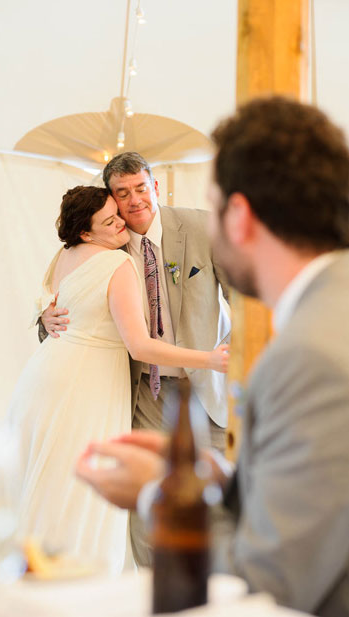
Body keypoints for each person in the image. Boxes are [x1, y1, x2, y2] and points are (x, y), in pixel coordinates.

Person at [77, 96, 349, 617]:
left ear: (238, 216)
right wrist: (226, 487)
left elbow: (270, 580)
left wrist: (158, 494)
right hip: (144, 392)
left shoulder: (304, 358)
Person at [9, 185, 228, 573]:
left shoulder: (62, 255)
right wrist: (208, 359)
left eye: (118, 214)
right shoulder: (117, 264)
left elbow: (49, 299)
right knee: (83, 487)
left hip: (44, 376)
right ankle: (74, 576)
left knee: (51, 478)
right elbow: (140, 346)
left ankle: (34, 567)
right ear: (85, 233)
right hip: (86, 386)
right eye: (110, 221)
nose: (121, 223)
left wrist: (44, 316)